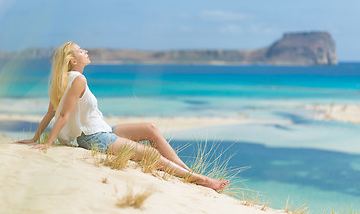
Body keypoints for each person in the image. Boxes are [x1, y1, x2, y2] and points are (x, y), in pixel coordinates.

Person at [16, 41, 229, 191]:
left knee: (151, 129)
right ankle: (198, 179)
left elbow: (50, 112)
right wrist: (48, 143)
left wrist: (36, 137)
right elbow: (61, 115)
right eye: (81, 51)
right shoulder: (78, 80)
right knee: (150, 154)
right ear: (72, 60)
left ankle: (186, 170)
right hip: (93, 137)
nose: (86, 51)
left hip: (102, 129)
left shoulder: (64, 79)